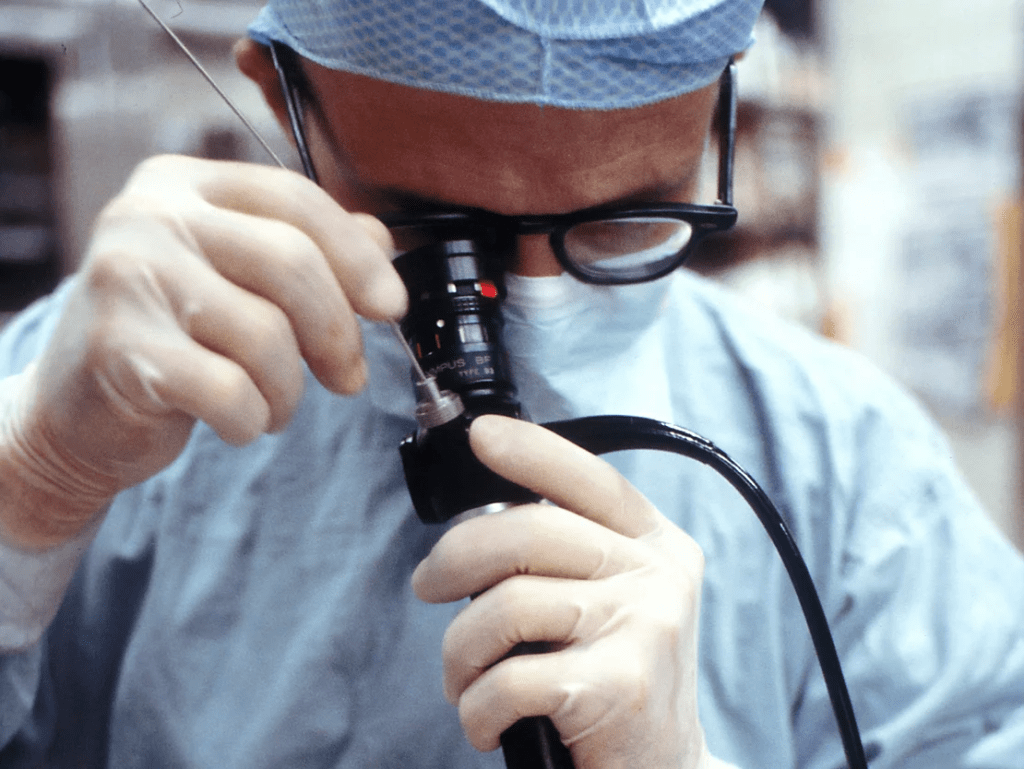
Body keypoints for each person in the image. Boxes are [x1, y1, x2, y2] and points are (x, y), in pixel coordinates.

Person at [1, 0, 1022, 766]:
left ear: (723, 97)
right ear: (276, 95)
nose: (532, 312)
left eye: (624, 219)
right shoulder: (85, 396)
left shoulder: (851, 471)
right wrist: (29, 494)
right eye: (436, 229)